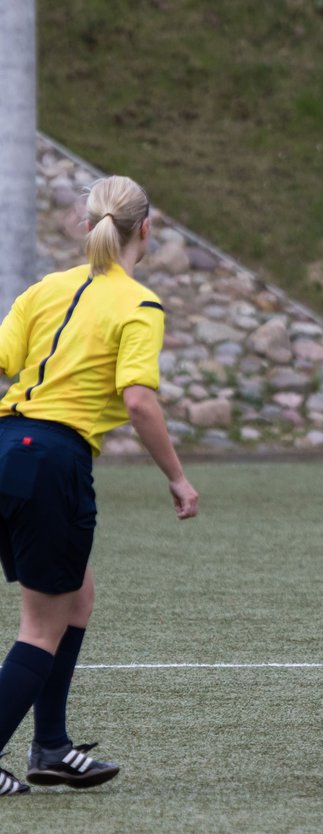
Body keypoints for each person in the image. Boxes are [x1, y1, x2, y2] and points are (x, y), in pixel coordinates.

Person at [0, 176, 199, 797]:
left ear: (87, 225)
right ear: (147, 230)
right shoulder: (138, 304)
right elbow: (138, 402)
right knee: (41, 623)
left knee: (75, 599)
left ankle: (51, 747)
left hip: (10, 446)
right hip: (53, 458)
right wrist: (177, 477)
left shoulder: (45, 289)